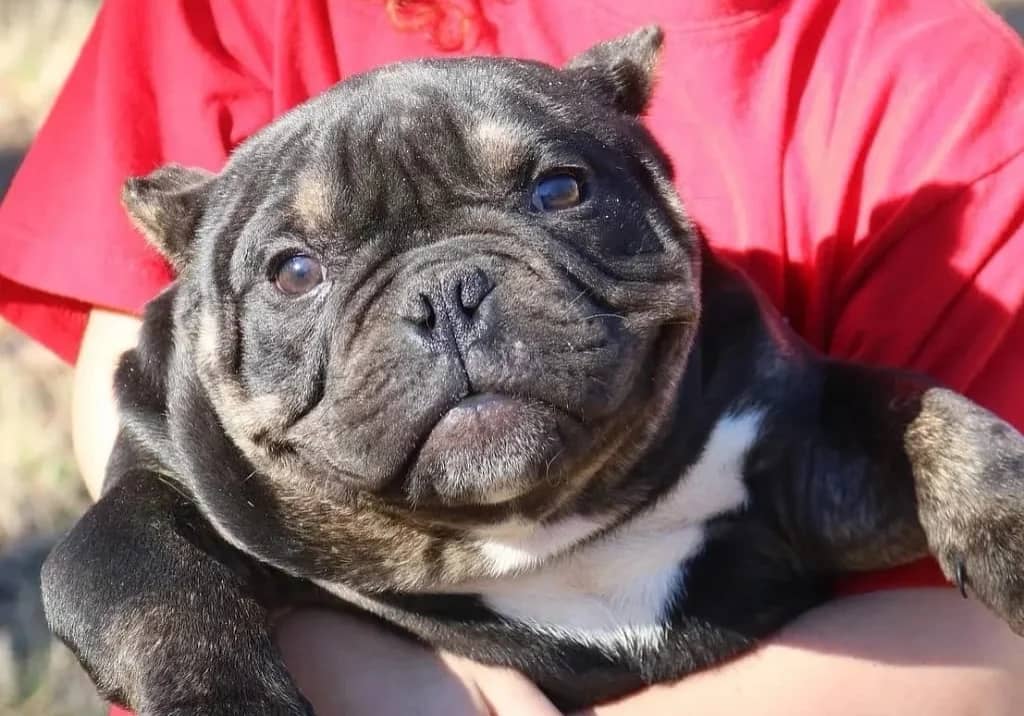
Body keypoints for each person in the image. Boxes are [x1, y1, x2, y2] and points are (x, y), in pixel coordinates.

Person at [2, 0, 1023, 713]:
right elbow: (128, 506)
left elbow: (980, 625)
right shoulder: (234, 13)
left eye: (554, 194)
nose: (449, 306)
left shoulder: (929, 88)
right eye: (298, 271)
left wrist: (956, 456)